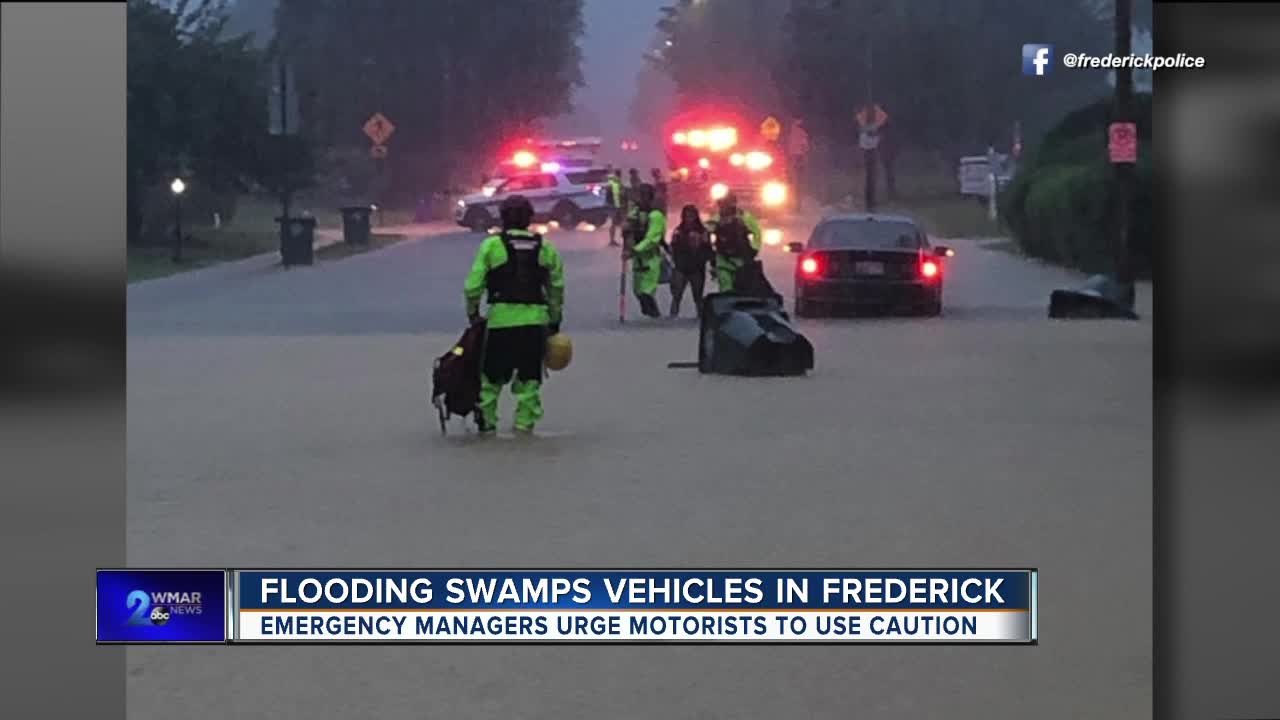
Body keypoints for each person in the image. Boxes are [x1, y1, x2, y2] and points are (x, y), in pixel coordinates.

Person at [463, 195, 565, 436]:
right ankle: (523, 427)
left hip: (500, 323)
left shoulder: (491, 246)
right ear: (530, 218)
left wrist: (473, 313)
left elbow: (472, 287)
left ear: (502, 217)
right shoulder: (546, 248)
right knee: (530, 380)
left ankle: (487, 426)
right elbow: (556, 288)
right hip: (535, 323)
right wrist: (554, 318)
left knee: (491, 380)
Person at [706, 193, 763, 293]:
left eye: (728, 203)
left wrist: (754, 249)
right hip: (723, 261)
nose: (725, 206)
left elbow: (757, 233)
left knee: (742, 289)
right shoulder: (717, 218)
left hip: (742, 261)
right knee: (726, 290)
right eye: (723, 204)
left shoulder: (744, 217)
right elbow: (706, 231)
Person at [625, 183, 666, 318]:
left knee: (646, 290)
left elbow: (652, 238)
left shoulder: (656, 216)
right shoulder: (635, 213)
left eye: (643, 196)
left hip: (650, 257)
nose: (640, 199)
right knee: (637, 290)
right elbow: (628, 230)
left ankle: (656, 318)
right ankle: (651, 313)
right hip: (638, 258)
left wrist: (636, 250)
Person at [668, 204, 713, 318]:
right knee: (676, 295)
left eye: (691, 216)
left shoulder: (703, 232)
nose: (689, 219)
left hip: (697, 267)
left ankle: (701, 318)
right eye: (686, 216)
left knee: (698, 296)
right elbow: (673, 248)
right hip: (681, 266)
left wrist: (712, 263)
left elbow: (708, 250)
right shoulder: (678, 231)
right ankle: (672, 317)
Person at [606, 169, 625, 247]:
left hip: (611, 205)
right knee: (621, 223)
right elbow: (619, 194)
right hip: (616, 206)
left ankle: (612, 240)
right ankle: (616, 240)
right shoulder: (617, 183)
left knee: (614, 224)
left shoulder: (611, 183)